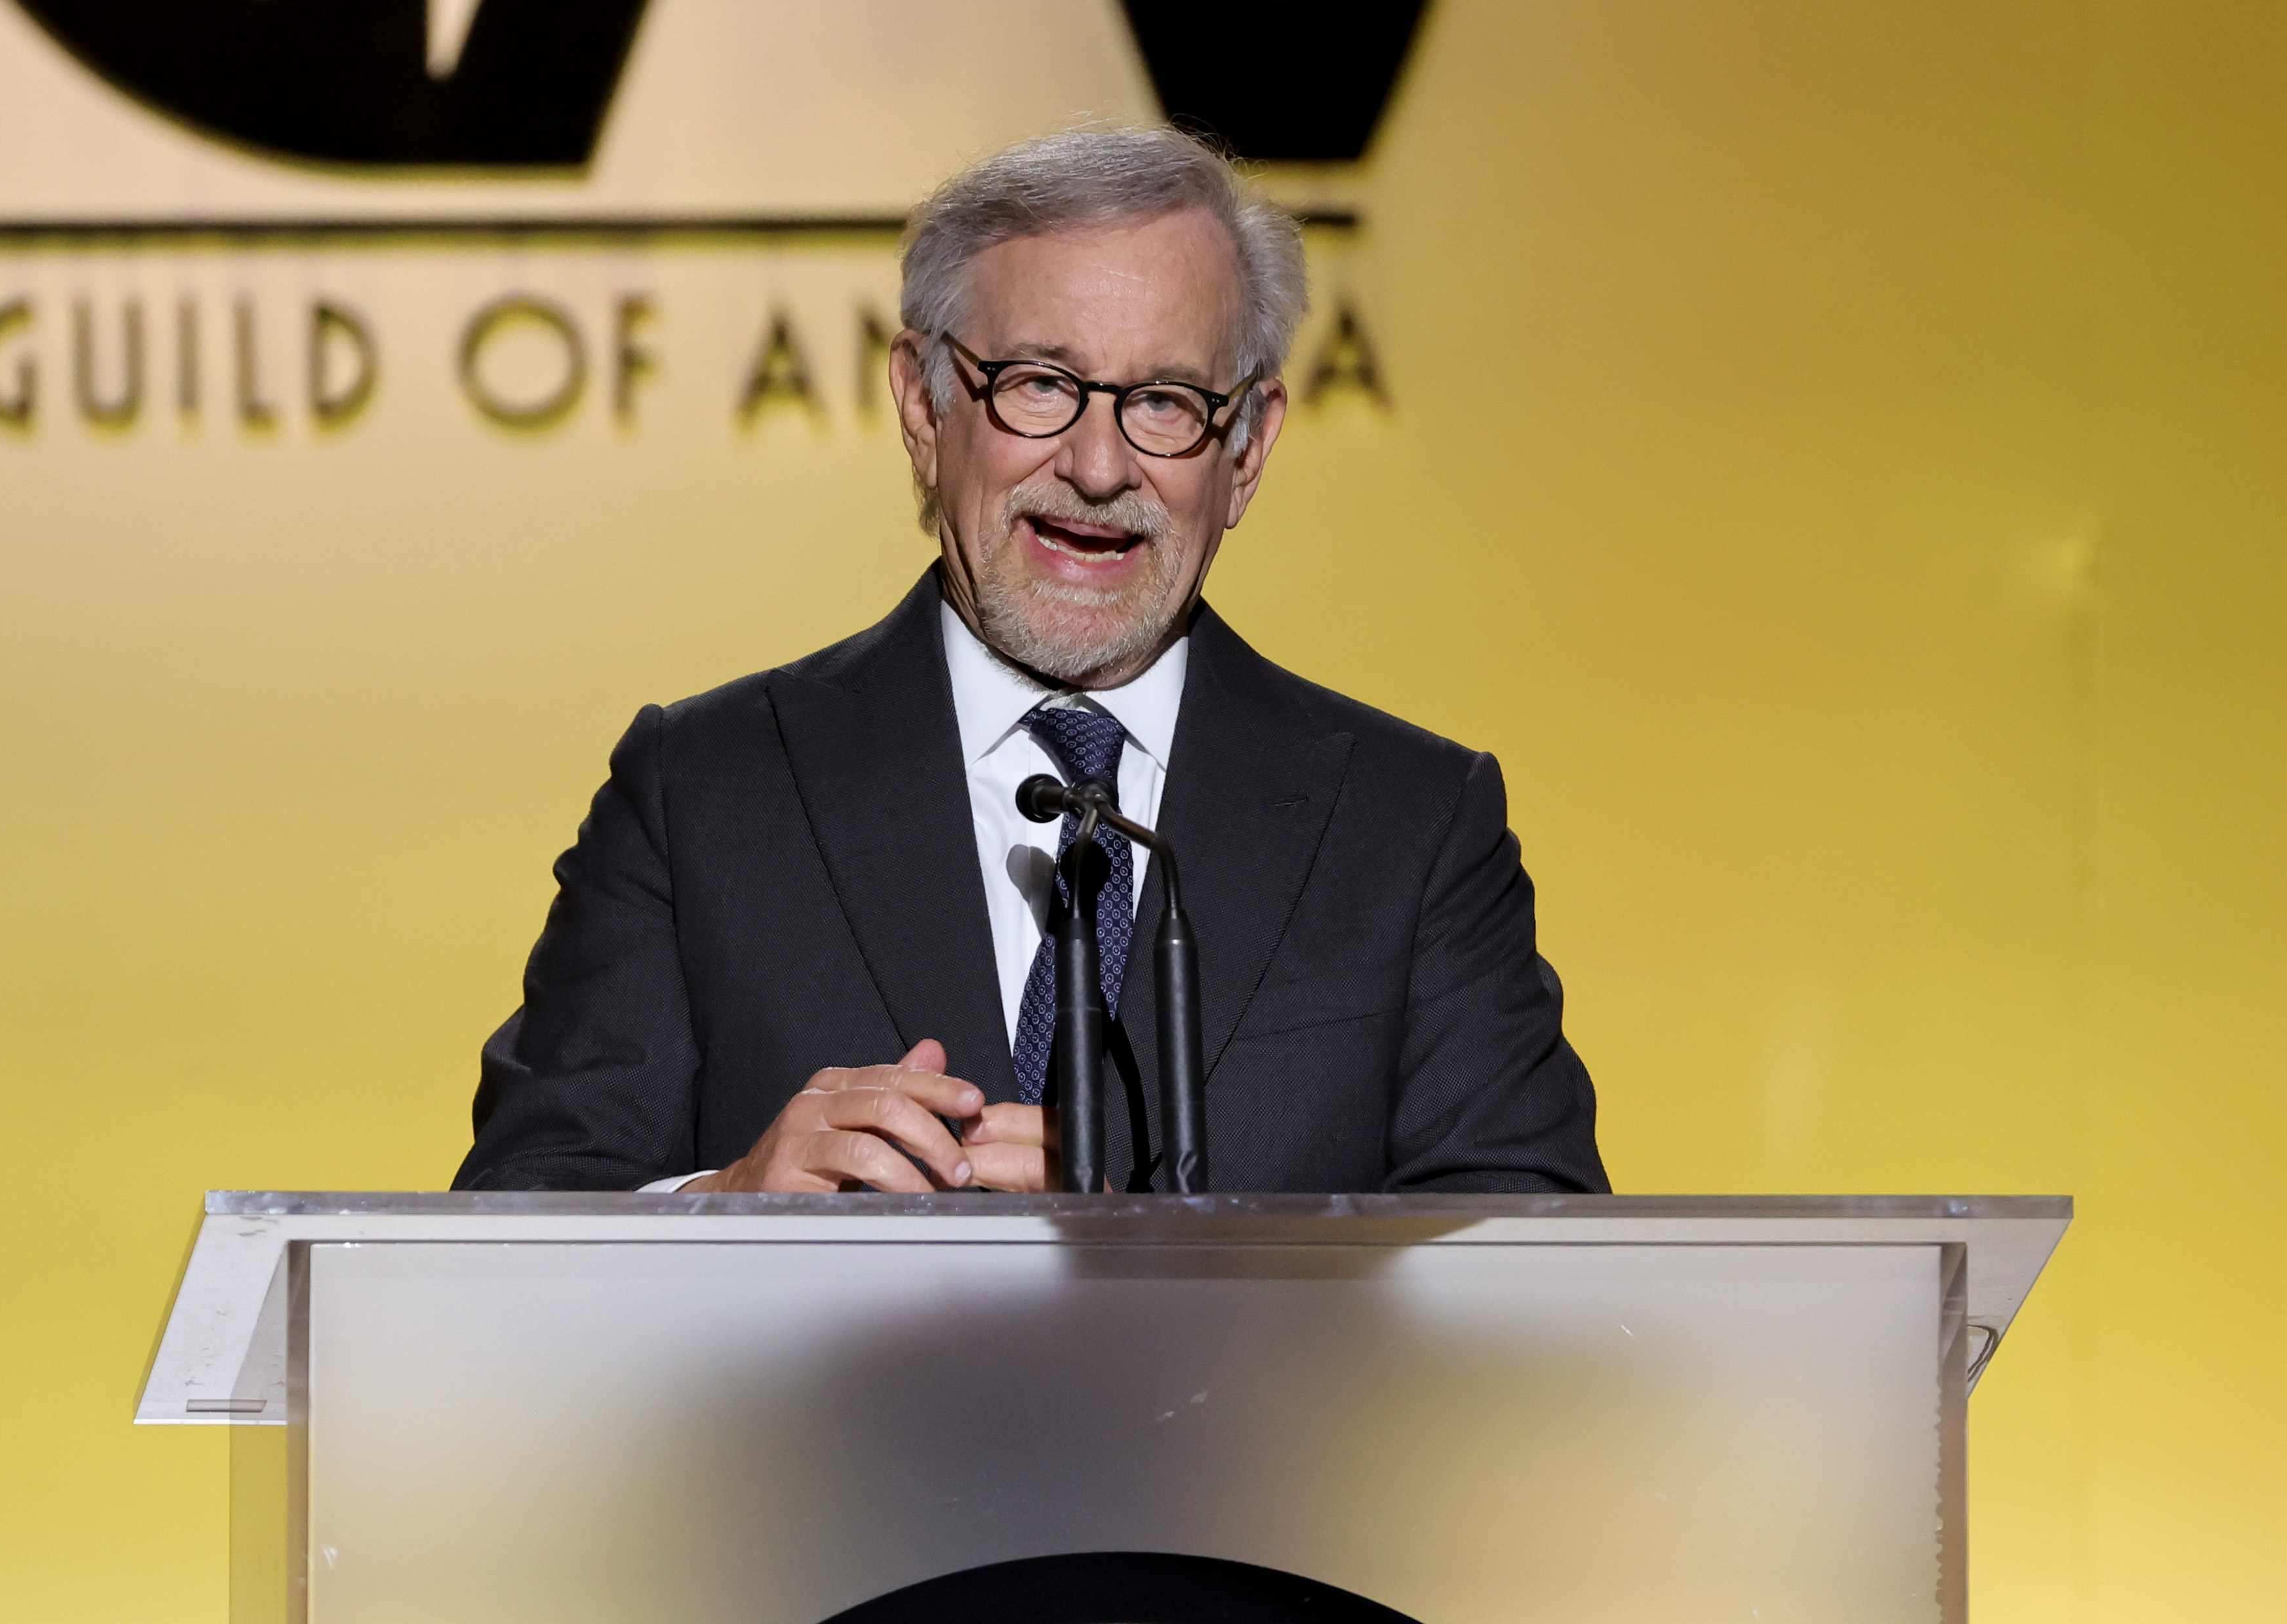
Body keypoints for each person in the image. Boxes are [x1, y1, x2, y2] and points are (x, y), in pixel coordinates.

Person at [455, 128, 1607, 1197]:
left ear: (1247, 450)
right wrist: (721, 1212)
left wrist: (1172, 1256)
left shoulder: (1409, 826)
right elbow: (492, 1253)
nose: (1099, 466)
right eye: (1041, 385)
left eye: (1165, 401)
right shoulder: (700, 793)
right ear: (923, 402)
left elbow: (1536, 1293)